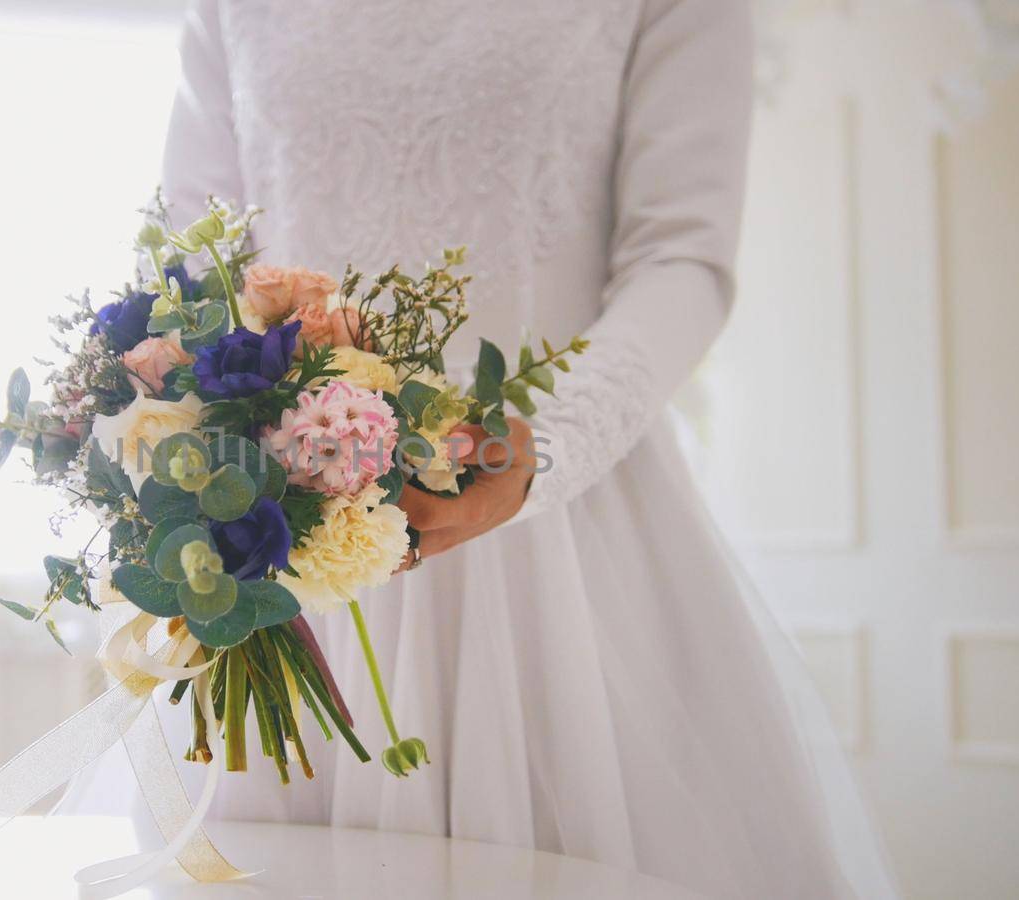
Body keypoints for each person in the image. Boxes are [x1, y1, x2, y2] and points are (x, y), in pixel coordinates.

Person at [145, 1, 901, 896]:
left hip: (563, 543)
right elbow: (191, 263)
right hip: (295, 533)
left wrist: (551, 447)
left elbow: (681, 256)